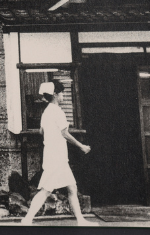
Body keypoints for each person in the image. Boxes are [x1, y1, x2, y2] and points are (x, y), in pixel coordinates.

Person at [21, 80, 98, 226]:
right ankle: (27, 219)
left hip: (55, 155)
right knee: (45, 190)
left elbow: (41, 131)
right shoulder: (57, 112)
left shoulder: (46, 112)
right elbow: (65, 134)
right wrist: (81, 146)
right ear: (55, 94)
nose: (63, 95)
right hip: (57, 157)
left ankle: (80, 221)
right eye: (61, 92)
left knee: (71, 187)